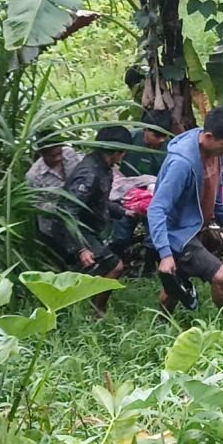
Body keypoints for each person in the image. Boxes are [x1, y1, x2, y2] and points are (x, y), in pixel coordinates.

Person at [148, 107, 223, 321]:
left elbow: (216, 187)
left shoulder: (216, 153)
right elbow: (157, 208)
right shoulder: (182, 164)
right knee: (219, 276)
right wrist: (165, 254)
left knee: (177, 279)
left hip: (194, 226)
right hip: (178, 233)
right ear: (208, 136)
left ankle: (161, 323)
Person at [55, 127, 137, 318]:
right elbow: (67, 212)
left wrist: (124, 212)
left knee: (91, 272)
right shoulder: (90, 173)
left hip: (88, 229)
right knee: (115, 267)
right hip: (75, 230)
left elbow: (99, 201)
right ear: (117, 151)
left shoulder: (103, 168)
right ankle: (97, 312)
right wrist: (81, 248)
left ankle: (77, 307)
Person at [111, 109, 173, 255]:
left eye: (164, 136)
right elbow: (112, 163)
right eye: (156, 136)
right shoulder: (130, 139)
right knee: (121, 234)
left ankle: (149, 261)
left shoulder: (170, 148)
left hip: (154, 196)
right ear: (145, 129)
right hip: (127, 194)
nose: (161, 140)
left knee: (155, 236)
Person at [25, 131, 84, 259]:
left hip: (80, 219)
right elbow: (38, 205)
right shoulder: (34, 176)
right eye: (53, 156)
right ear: (42, 154)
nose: (58, 158)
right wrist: (61, 207)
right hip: (54, 226)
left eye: (59, 153)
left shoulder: (69, 153)